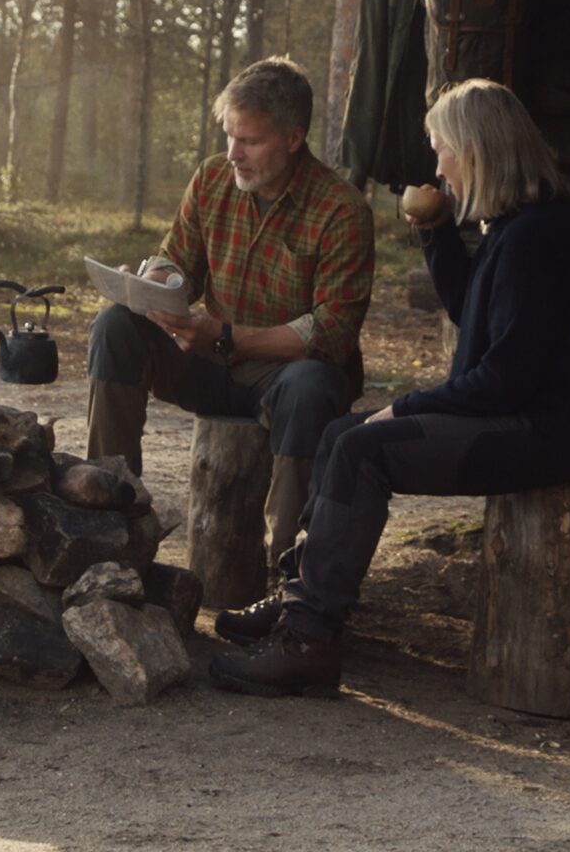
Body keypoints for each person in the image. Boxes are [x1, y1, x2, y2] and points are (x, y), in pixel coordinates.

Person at [207, 78, 570, 698]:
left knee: (362, 449)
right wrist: (436, 232)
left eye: (442, 151)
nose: (438, 168)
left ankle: (308, 642)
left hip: (553, 432)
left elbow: (503, 382)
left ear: (475, 149)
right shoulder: (515, 227)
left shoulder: (540, 237)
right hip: (524, 415)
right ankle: (300, 599)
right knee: (342, 433)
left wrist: (403, 406)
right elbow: (473, 315)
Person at [85, 56, 375, 567]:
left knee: (311, 385)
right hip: (209, 362)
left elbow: (332, 333)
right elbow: (180, 262)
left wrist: (226, 336)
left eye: (250, 141)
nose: (233, 153)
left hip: (286, 378)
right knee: (115, 326)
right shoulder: (213, 178)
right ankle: (108, 518)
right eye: (229, 136)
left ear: (293, 138)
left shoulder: (341, 209)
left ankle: (291, 575)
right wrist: (154, 284)